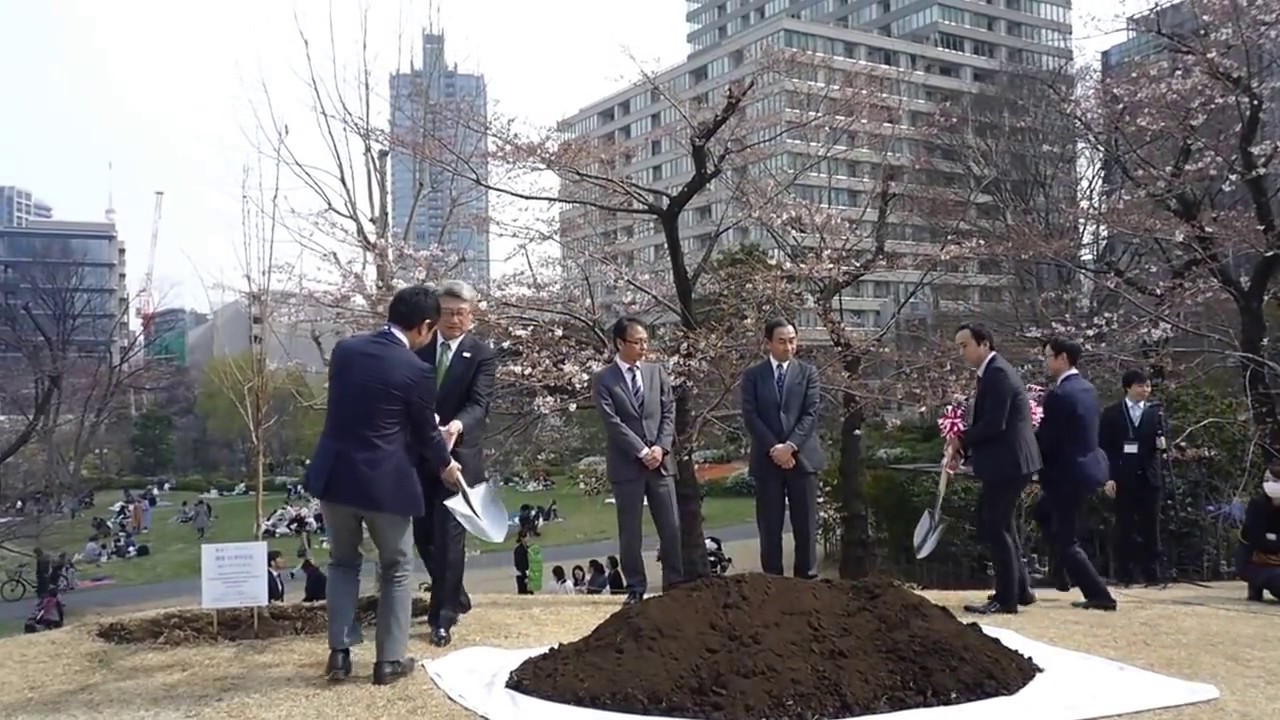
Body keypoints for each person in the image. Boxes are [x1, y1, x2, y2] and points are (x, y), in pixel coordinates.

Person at [304, 285, 461, 687]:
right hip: (385, 483)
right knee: (395, 568)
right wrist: (445, 465)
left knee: (342, 562)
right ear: (425, 327)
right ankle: (388, 661)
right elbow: (426, 433)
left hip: (336, 477)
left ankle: (339, 654)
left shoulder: (345, 351)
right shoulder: (416, 370)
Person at [414, 280, 497, 649]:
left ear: (471, 316)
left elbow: (480, 404)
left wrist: (457, 426)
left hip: (459, 457)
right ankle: (456, 594)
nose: (453, 319)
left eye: (460, 313)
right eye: (446, 312)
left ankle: (442, 618)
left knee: (449, 538)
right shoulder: (418, 347)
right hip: (419, 455)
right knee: (423, 535)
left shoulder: (482, 354)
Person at [946, 323, 1041, 615]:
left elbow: (994, 423)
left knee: (994, 526)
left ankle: (1006, 597)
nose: (962, 352)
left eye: (965, 345)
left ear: (984, 343)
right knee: (1002, 525)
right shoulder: (993, 371)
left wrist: (960, 440)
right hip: (1008, 460)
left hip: (1009, 462)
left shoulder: (997, 373)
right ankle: (1020, 590)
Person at [591, 316, 682, 605]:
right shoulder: (604, 379)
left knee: (671, 527)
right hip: (628, 466)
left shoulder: (657, 372)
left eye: (646, 341)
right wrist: (642, 451)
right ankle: (635, 587)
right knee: (630, 531)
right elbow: (612, 422)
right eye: (637, 342)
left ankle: (675, 584)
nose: (644, 347)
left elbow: (669, 412)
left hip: (661, 463)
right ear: (620, 343)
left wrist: (660, 448)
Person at [1034, 338, 1117, 611]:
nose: (1045, 362)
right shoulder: (1087, 389)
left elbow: (1048, 439)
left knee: (1065, 537)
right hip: (1084, 469)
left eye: (1048, 356)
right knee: (1043, 515)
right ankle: (1061, 570)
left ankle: (1098, 594)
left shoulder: (1060, 395)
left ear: (1063, 358)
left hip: (1065, 473)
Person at [741, 318, 825, 579]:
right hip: (767, 461)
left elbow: (810, 414)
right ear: (768, 343)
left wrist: (790, 447)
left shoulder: (808, 373)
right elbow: (751, 415)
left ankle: (806, 579)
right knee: (769, 526)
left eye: (792, 340)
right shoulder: (753, 376)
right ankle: (773, 581)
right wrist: (775, 449)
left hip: (802, 458)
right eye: (782, 341)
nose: (789, 346)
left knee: (805, 526)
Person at [1099, 369, 1165, 586]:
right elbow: (1104, 448)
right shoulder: (1112, 413)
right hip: (1122, 476)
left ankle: (1152, 573)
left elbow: (1161, 441)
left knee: (1151, 526)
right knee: (1124, 526)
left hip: (1149, 476)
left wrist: (1162, 444)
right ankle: (1123, 573)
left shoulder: (1156, 413)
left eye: (1147, 386)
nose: (1145, 390)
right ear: (1128, 387)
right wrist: (1107, 477)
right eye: (1140, 386)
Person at [1237, 468, 1280, 602]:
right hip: (1256, 563)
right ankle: (1256, 586)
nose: (1271, 483)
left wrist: (1271, 538)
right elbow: (1257, 539)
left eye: (1276, 480)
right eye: (1268, 480)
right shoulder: (1257, 506)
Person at [514, 530, 532, 595]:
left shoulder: (529, 549)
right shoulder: (518, 550)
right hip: (522, 576)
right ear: (522, 538)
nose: (529, 538)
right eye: (527, 536)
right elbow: (519, 565)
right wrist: (525, 576)